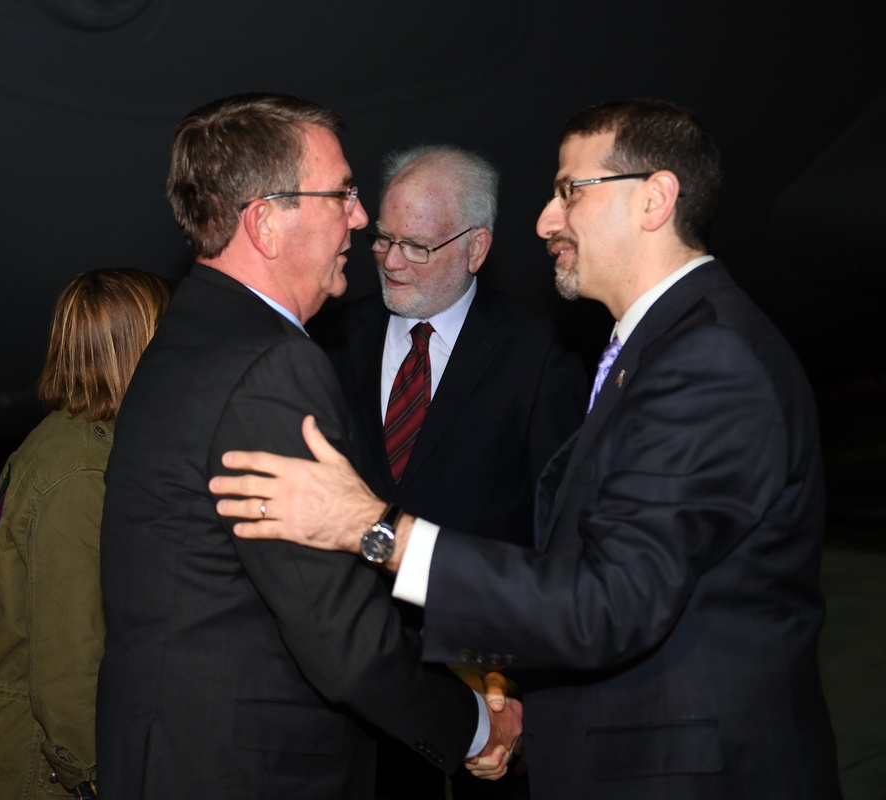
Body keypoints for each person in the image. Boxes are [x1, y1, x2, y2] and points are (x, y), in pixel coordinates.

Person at [211, 99, 843, 799]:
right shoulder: (665, 348)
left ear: (655, 200)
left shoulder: (709, 358)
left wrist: (376, 529)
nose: (546, 220)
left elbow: (610, 601)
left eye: (570, 191)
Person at [95, 93, 521, 800]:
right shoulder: (272, 368)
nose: (359, 216)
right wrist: (478, 727)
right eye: (341, 195)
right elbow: (344, 643)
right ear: (264, 222)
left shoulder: (185, 337)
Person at [307, 144, 586, 800]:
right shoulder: (331, 340)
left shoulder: (539, 355)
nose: (393, 260)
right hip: (360, 689)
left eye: (418, 246)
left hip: (487, 686)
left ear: (476, 248)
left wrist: (511, 686)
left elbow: (559, 537)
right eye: (383, 239)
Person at [0, 268, 173, 800]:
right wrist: (94, 777)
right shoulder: (83, 473)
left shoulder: (59, 441)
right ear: (138, 350)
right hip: (31, 772)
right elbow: (69, 665)